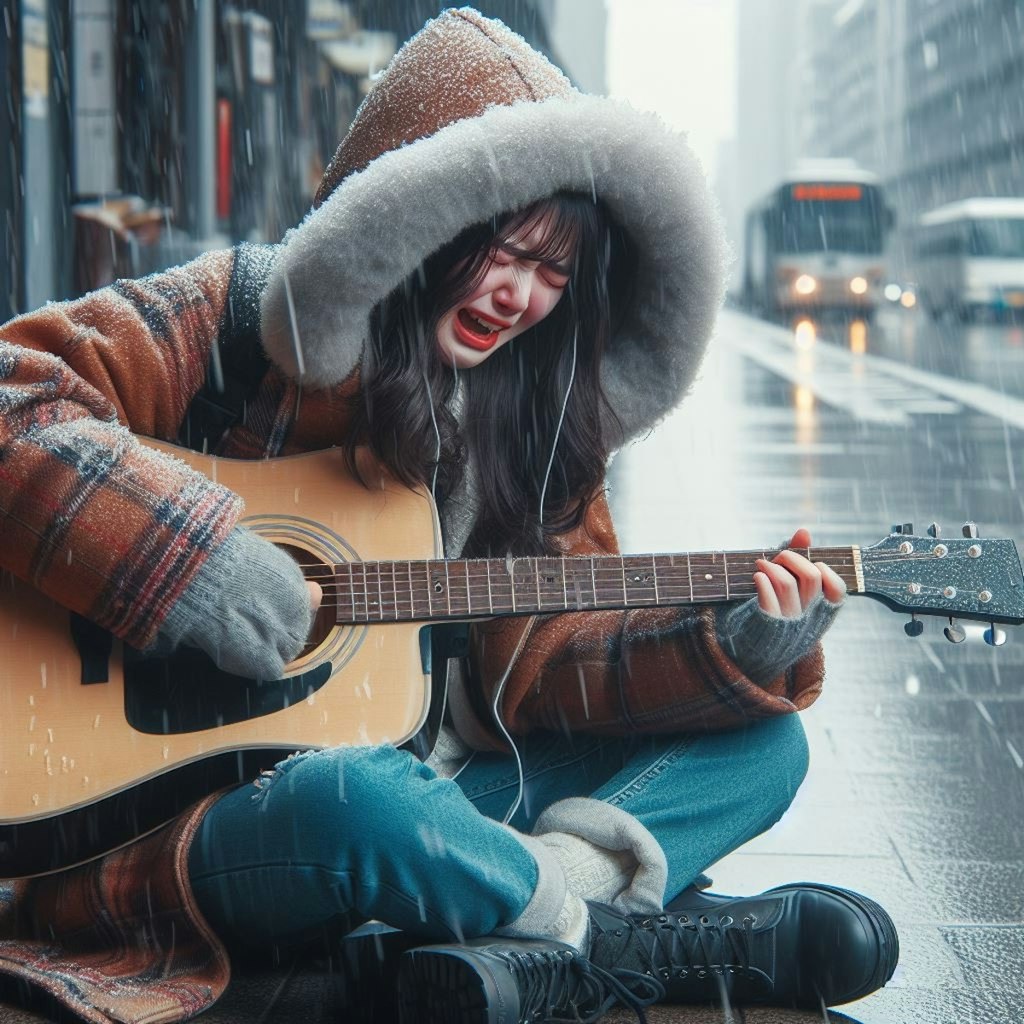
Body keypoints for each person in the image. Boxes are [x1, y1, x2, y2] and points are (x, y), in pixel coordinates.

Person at [0, 8, 898, 1023]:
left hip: (442, 791)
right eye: (500, 250)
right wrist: (188, 559)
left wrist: (735, 638)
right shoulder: (237, 321)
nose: (519, 295)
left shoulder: (534, 422)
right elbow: (10, 394)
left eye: (554, 271)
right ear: (414, 220)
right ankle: (612, 938)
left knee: (763, 743)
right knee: (359, 799)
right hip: (175, 832)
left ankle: (515, 920)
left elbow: (550, 656)